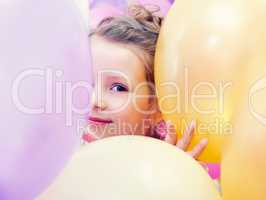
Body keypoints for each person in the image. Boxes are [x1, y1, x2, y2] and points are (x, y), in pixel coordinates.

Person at [83, 5, 208, 163]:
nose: (94, 101)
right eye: (87, 81)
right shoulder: (60, 157)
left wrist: (176, 175)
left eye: (118, 88)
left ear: (157, 107)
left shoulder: (163, 167)